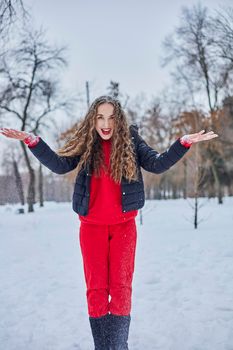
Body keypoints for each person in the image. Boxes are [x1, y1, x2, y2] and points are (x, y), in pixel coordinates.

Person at [0, 95, 218, 349]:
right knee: (96, 289)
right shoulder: (86, 143)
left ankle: (118, 344)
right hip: (91, 228)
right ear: (93, 119)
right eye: (100, 117)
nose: (106, 123)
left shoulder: (131, 141)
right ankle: (103, 345)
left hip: (124, 227)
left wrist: (183, 143)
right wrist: (32, 140)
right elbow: (59, 166)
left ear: (120, 120)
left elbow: (157, 164)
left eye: (111, 118)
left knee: (121, 286)